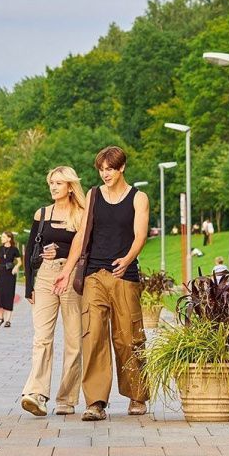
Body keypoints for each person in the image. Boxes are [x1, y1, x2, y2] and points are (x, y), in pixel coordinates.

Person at [54, 146, 150, 422]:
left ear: (122, 168)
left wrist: (128, 258)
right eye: (101, 169)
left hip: (124, 275)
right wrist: (68, 269)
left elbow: (140, 234)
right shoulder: (94, 196)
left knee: (128, 337)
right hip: (95, 273)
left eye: (110, 168)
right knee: (93, 334)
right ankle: (96, 402)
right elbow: (81, 235)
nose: (105, 173)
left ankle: (137, 396)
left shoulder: (138, 197)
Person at [20, 166, 86, 417]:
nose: (54, 187)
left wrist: (63, 252)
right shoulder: (42, 213)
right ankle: (36, 393)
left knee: (73, 340)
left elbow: (84, 248)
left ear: (70, 186)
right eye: (51, 183)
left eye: (59, 183)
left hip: (69, 276)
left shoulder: (81, 214)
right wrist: (29, 286)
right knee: (42, 338)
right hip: (46, 275)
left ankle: (67, 399)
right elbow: (29, 251)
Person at [0, 232, 21, 327]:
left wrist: (15, 268)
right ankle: (0, 318)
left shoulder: (14, 249)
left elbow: (19, 262)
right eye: (1, 236)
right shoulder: (0, 249)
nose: (2, 238)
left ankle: (8, 320)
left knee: (9, 295)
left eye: (4, 237)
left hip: (10, 273)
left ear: (9, 239)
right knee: (0, 296)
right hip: (1, 273)